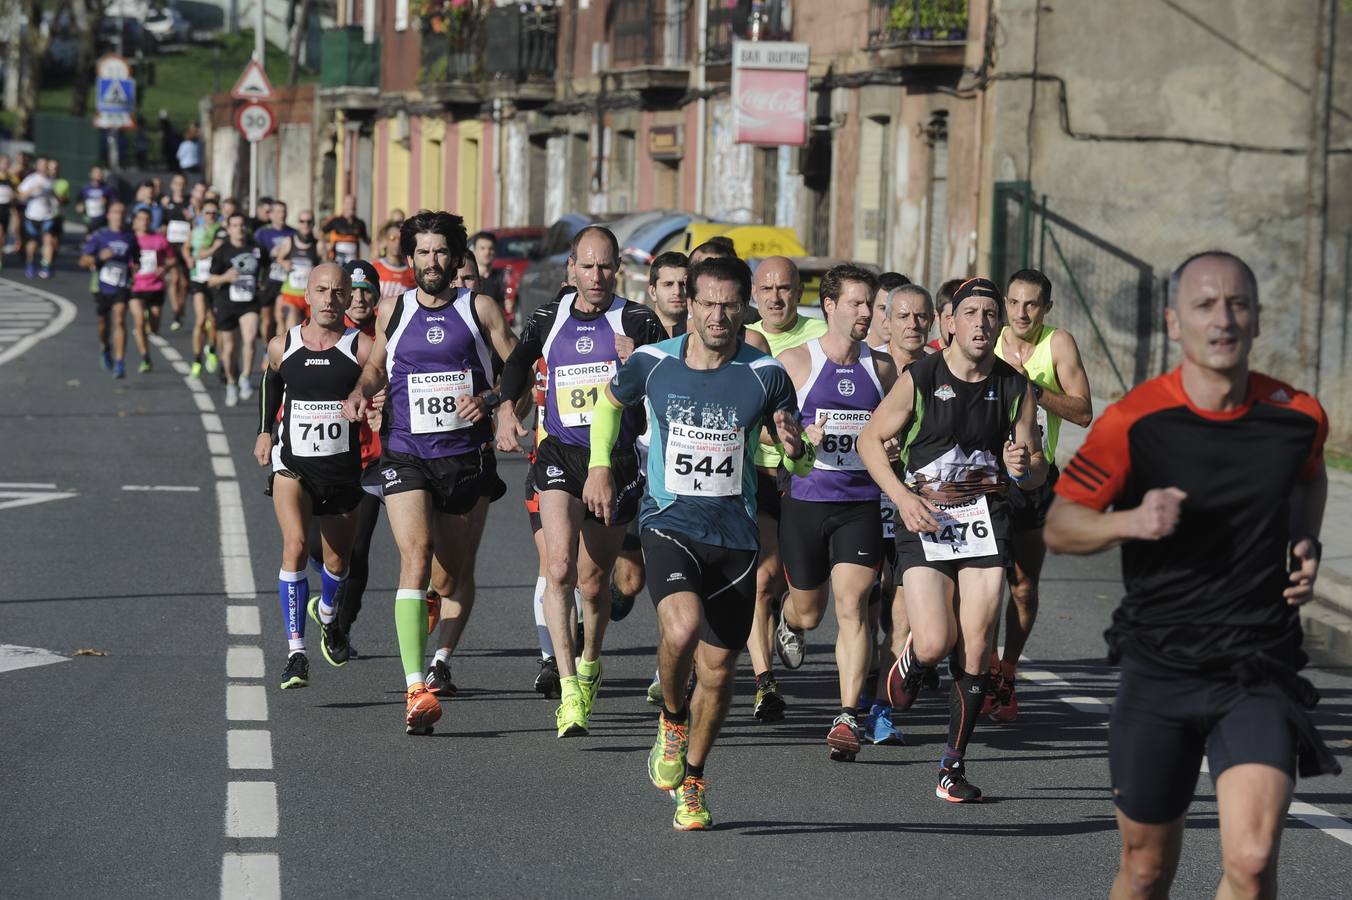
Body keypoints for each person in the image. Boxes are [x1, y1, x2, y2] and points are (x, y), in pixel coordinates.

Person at [1043, 251, 1336, 899]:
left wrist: (1305, 538)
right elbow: (1061, 525)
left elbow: (1309, 480)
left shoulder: (1298, 417)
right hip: (1160, 669)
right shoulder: (1134, 423)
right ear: (1176, 323)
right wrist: (1129, 522)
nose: (1223, 319)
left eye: (1237, 304)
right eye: (1205, 305)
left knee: (1254, 861)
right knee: (1146, 869)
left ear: (1257, 320)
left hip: (1257, 669)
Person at [586, 255, 808, 829]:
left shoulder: (766, 374)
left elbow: (795, 452)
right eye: (706, 303)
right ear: (689, 304)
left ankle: (694, 779)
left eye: (729, 305)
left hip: (734, 538)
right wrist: (599, 468)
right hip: (669, 521)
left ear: (743, 309)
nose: (717, 315)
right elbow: (609, 406)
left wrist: (793, 445)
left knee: (717, 671)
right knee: (680, 627)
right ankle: (671, 717)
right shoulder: (652, 363)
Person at [858, 277, 1045, 803]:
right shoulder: (921, 376)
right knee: (937, 640)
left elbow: (1034, 472)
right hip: (927, 520)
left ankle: (951, 766)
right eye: (971, 314)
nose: (981, 323)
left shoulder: (1015, 385)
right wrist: (902, 498)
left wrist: (1022, 467)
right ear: (950, 323)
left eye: (990, 314)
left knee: (979, 646)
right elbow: (870, 440)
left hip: (987, 518)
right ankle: (915, 661)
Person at [342, 211, 517, 735]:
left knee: (452, 573)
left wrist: (492, 402)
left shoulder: (478, 308)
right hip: (406, 453)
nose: (432, 262)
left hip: (466, 457)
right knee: (414, 557)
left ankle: (442, 654)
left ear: (456, 258)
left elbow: (518, 369)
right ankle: (416, 685)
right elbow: (375, 366)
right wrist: (360, 390)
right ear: (410, 257)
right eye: (423, 252)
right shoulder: (394, 310)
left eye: (442, 252)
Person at [495, 225, 665, 737]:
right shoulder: (550, 316)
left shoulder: (637, 319)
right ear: (572, 267)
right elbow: (517, 363)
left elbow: (673, 372)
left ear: (617, 270)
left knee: (594, 585)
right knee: (559, 566)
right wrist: (505, 407)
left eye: (605, 267)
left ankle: (590, 660)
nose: (595, 276)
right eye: (586, 266)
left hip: (614, 462)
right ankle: (569, 689)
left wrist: (637, 357)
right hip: (559, 455)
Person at [772, 265, 896, 760]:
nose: (867, 313)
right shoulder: (795, 362)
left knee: (853, 605)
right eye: (858, 303)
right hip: (805, 502)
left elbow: (899, 428)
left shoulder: (882, 369)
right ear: (830, 305)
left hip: (859, 505)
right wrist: (799, 438)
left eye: (872, 304)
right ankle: (787, 619)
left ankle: (847, 715)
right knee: (810, 608)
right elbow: (765, 429)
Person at [253, 262, 370, 689]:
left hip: (341, 471)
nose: (330, 299)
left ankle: (327, 615)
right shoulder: (282, 345)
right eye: (322, 290)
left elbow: (383, 388)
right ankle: (296, 652)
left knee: (339, 563)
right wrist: (265, 432)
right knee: (296, 545)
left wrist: (372, 403)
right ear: (307, 294)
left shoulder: (361, 348)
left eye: (339, 292)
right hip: (293, 466)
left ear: (348, 299)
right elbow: (271, 383)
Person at [986, 267, 1093, 720]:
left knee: (1024, 589)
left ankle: (1007, 671)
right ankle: (982, 671)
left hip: (1035, 481)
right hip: (985, 481)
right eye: (1014, 302)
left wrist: (1033, 390)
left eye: (1031, 304)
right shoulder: (985, 337)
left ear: (1046, 307)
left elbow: (1084, 411)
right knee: (986, 586)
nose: (1021, 312)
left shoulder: (1058, 343)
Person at [740, 256, 827, 721]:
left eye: (786, 289)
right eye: (767, 289)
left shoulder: (819, 337)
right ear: (755, 292)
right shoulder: (744, 340)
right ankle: (763, 682)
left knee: (807, 607)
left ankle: (791, 624)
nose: (776, 298)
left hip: (810, 475)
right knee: (763, 578)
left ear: (799, 292)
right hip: (756, 471)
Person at [863, 283, 937, 744]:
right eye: (902, 316)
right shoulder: (867, 367)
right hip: (863, 500)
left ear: (932, 322)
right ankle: (855, 695)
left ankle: (878, 708)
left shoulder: (942, 369)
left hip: (916, 505)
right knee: (865, 608)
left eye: (920, 317)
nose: (912, 325)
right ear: (884, 320)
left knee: (903, 611)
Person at [206, 212, 264, 407]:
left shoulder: (255, 248)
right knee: (229, 349)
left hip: (249, 302)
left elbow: (267, 267)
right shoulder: (222, 251)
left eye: (241, 225)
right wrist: (225, 278)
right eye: (234, 225)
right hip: (226, 302)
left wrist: (262, 284)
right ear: (228, 228)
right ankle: (231, 381)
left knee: (249, 339)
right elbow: (211, 280)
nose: (239, 229)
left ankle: (245, 377)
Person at [79, 200, 137, 378]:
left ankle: (120, 362)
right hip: (101, 286)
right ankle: (105, 347)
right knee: (103, 324)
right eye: (115, 212)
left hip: (121, 286)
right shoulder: (100, 237)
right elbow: (82, 261)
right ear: (108, 215)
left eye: (122, 213)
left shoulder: (130, 237)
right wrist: (99, 258)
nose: (119, 216)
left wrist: (135, 271)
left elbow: (137, 259)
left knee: (119, 319)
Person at [186, 199, 224, 378]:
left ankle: (211, 348)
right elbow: (187, 248)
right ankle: (196, 359)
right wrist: (187, 258)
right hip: (198, 278)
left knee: (213, 320)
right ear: (202, 214)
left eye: (214, 213)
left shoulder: (221, 231)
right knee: (200, 319)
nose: (211, 216)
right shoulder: (196, 231)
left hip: (214, 280)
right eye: (208, 213)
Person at [254, 201, 296, 351]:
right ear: (270, 215)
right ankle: (267, 348)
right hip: (268, 280)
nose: (281, 215)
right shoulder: (262, 233)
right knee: (266, 320)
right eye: (278, 212)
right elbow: (256, 258)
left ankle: (280, 350)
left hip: (285, 281)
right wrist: (270, 254)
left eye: (283, 211)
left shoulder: (293, 233)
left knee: (280, 316)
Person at [273, 209, 323, 332]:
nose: (305, 224)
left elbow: (325, 268)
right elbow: (277, 260)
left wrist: (316, 270)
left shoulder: (319, 245)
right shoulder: (289, 242)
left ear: (313, 224)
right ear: (298, 223)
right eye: (302, 221)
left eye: (308, 221)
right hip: (291, 294)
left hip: (310, 296)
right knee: (292, 328)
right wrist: (283, 263)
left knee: (312, 331)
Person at [129, 206, 171, 352]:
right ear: (135, 221)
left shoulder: (160, 240)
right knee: (139, 322)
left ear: (151, 221)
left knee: (154, 328)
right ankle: (145, 356)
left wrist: (164, 268)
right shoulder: (130, 239)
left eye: (147, 219)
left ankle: (148, 329)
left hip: (155, 286)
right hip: (136, 286)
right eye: (141, 219)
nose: (144, 222)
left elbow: (172, 259)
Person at [160, 173, 194, 330]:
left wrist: (191, 218)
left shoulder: (189, 204)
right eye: (177, 183)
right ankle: (176, 312)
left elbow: (195, 223)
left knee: (185, 283)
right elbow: (162, 223)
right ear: (172, 185)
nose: (179, 187)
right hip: (171, 245)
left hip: (186, 246)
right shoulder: (167, 203)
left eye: (182, 184)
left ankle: (181, 307)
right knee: (174, 279)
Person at [19, 157, 59, 279]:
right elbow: (20, 196)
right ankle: (30, 263)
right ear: (37, 166)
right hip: (32, 215)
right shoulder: (31, 179)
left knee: (48, 241)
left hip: (48, 216)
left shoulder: (51, 180)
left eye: (46, 164)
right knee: (33, 243)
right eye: (41, 164)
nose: (44, 167)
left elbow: (55, 197)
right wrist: (31, 191)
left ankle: (45, 266)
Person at [373, 221, 416, 299]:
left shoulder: (412, 271)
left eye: (400, 239)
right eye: (392, 238)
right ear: (385, 241)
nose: (397, 242)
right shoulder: (374, 267)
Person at [867, 272, 910, 350]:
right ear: (870, 307)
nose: (890, 318)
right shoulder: (848, 347)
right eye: (884, 308)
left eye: (899, 311)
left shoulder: (922, 358)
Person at [322, 195, 369, 265]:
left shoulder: (360, 223)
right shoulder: (336, 221)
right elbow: (321, 233)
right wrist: (325, 243)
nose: (351, 206)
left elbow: (367, 240)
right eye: (348, 203)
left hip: (353, 259)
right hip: (337, 259)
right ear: (343, 205)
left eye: (353, 203)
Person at [469, 231, 506, 304]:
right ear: (474, 250)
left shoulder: (502, 278)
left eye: (491, 248)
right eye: (482, 248)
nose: (487, 252)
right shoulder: (468, 279)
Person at [77, 167, 117, 234]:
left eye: (100, 173)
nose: (98, 174)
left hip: (103, 221)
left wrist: (107, 202)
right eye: (96, 172)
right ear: (90, 174)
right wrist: (80, 207)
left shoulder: (108, 189)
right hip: (89, 220)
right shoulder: (85, 188)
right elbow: (79, 202)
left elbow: (115, 203)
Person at [928, 278, 964, 350]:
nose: (955, 325)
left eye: (964, 317)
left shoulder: (986, 356)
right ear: (937, 316)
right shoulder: (926, 357)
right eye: (949, 317)